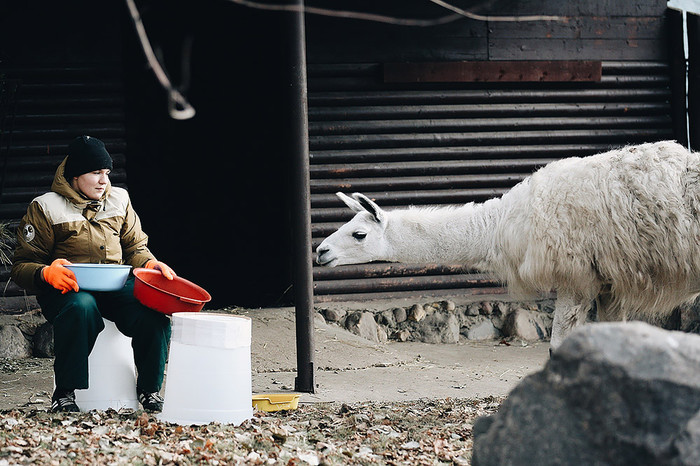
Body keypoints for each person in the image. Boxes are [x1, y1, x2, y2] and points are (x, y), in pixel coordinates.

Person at [11, 135, 174, 413]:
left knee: (153, 313)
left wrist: (149, 264)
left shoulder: (119, 199)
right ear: (75, 176)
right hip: (68, 289)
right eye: (96, 173)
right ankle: (64, 394)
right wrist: (45, 273)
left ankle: (149, 390)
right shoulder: (46, 206)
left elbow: (135, 246)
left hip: (115, 285)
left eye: (107, 173)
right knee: (82, 307)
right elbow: (21, 265)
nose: (103, 181)